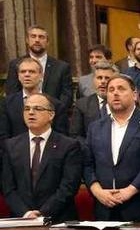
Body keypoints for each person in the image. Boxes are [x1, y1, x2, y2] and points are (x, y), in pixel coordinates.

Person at [83, 74, 140, 222]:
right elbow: (87, 164)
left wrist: (130, 190)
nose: (115, 93)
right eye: (111, 90)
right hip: (105, 210)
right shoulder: (95, 127)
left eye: (121, 89)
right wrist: (97, 191)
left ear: (135, 95)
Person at [1, 93, 83, 222]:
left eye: (37, 109)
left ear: (51, 115)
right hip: (21, 220)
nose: (31, 113)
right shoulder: (11, 146)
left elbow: (69, 186)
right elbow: (8, 187)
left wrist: (42, 213)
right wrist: (26, 213)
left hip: (58, 220)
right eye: (27, 109)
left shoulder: (69, 146)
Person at [5, 25, 72, 112]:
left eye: (41, 37)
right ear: (27, 40)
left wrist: (51, 112)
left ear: (47, 42)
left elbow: (66, 96)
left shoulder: (62, 67)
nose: (37, 40)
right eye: (33, 36)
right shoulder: (15, 64)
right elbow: (11, 93)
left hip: (53, 117)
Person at [1, 58, 69, 139]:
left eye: (32, 72)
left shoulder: (56, 105)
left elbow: (61, 138)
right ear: (18, 76)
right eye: (23, 72)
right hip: (14, 150)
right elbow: (3, 136)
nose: (27, 75)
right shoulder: (6, 104)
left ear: (41, 76)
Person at [71, 61, 116, 139]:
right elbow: (75, 136)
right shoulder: (82, 105)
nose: (103, 81)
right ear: (93, 80)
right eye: (99, 78)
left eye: (107, 78)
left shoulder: (122, 103)